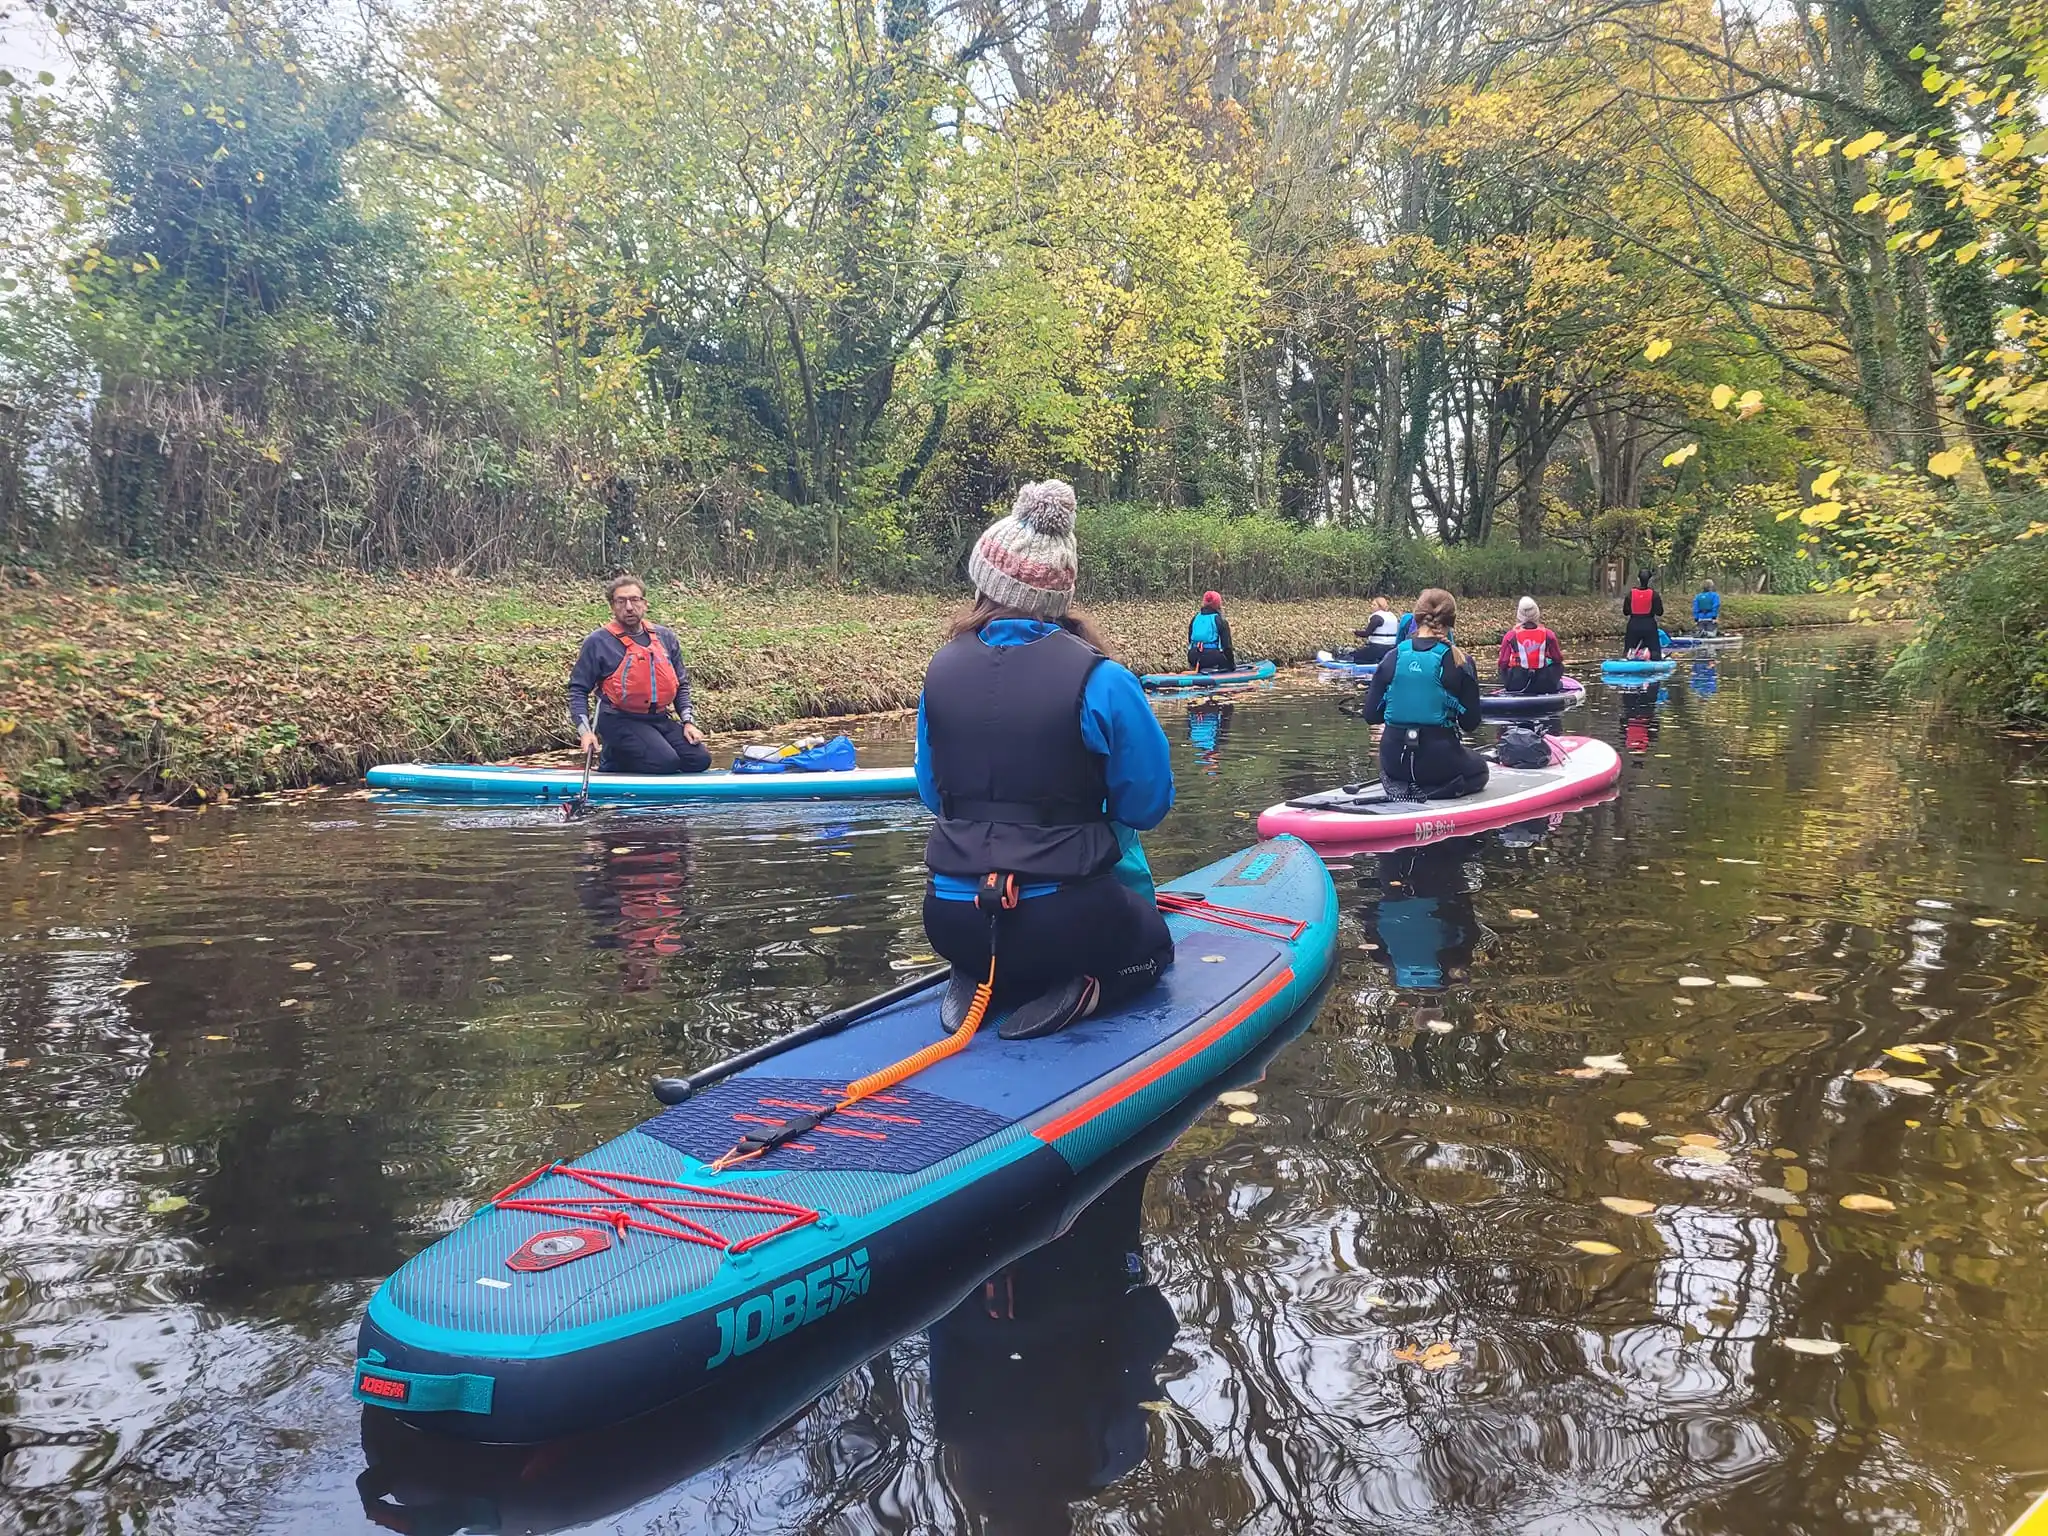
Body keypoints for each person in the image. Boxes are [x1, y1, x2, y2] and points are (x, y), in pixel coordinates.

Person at [916, 480, 1176, 1040]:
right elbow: (1148, 805)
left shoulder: (938, 671)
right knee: (1155, 946)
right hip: (1064, 923)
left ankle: (980, 971)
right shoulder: (1101, 678)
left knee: (994, 922)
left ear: (982, 584)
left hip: (950, 918)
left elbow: (933, 795)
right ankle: (1084, 985)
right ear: (1061, 597)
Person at [929, 1161, 1175, 1536]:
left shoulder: (1113, 1457)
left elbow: (1151, 1327)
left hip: (1075, 1250)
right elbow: (941, 1323)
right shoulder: (955, 1431)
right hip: (1014, 1245)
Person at [567, 575, 712, 775]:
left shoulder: (665, 637)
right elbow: (578, 689)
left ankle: (634, 755)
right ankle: (614, 759)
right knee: (665, 763)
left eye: (635, 600)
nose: (628, 607)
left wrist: (688, 722)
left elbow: (681, 685)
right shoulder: (598, 641)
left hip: (657, 718)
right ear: (612, 606)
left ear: (645, 603)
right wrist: (585, 732)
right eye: (621, 601)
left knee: (699, 760)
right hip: (618, 719)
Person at [1362, 587, 1487, 800]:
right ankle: (1435, 792)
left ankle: (1403, 787)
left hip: (1394, 763)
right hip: (1440, 764)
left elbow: (1371, 715)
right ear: (1451, 621)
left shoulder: (1392, 657)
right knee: (1481, 770)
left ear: (1416, 617)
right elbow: (1470, 723)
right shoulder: (1461, 661)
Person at [1495, 596, 1565, 695]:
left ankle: (1510, 687)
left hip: (1517, 684)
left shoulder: (1510, 636)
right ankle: (1554, 684)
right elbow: (1558, 659)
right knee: (1559, 666)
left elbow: (1502, 663)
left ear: (1519, 615)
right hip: (1543, 684)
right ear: (1537, 614)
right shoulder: (1549, 634)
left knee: (1502, 668)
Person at [1186, 590, 1236, 673]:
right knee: (1225, 661)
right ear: (1218, 605)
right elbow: (1227, 647)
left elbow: (1190, 640)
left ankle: (1197, 669)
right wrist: (1232, 666)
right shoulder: (1220, 621)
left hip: (1193, 657)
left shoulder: (1195, 618)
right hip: (1213, 658)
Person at [1622, 569, 1664, 659]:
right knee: (1655, 653)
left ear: (1638, 579)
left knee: (1628, 650)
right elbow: (1660, 612)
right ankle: (1648, 654)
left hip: (1633, 625)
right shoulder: (1654, 595)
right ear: (1650, 580)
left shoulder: (1630, 594)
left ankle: (1630, 655)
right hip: (1649, 625)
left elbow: (1626, 612)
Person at [1350, 596, 1400, 664]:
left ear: (1380, 606)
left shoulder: (1376, 617)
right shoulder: (1392, 616)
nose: (1371, 606)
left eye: (1374, 605)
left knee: (1354, 657)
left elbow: (1367, 634)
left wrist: (1355, 631)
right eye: (1372, 604)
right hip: (1391, 647)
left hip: (1378, 646)